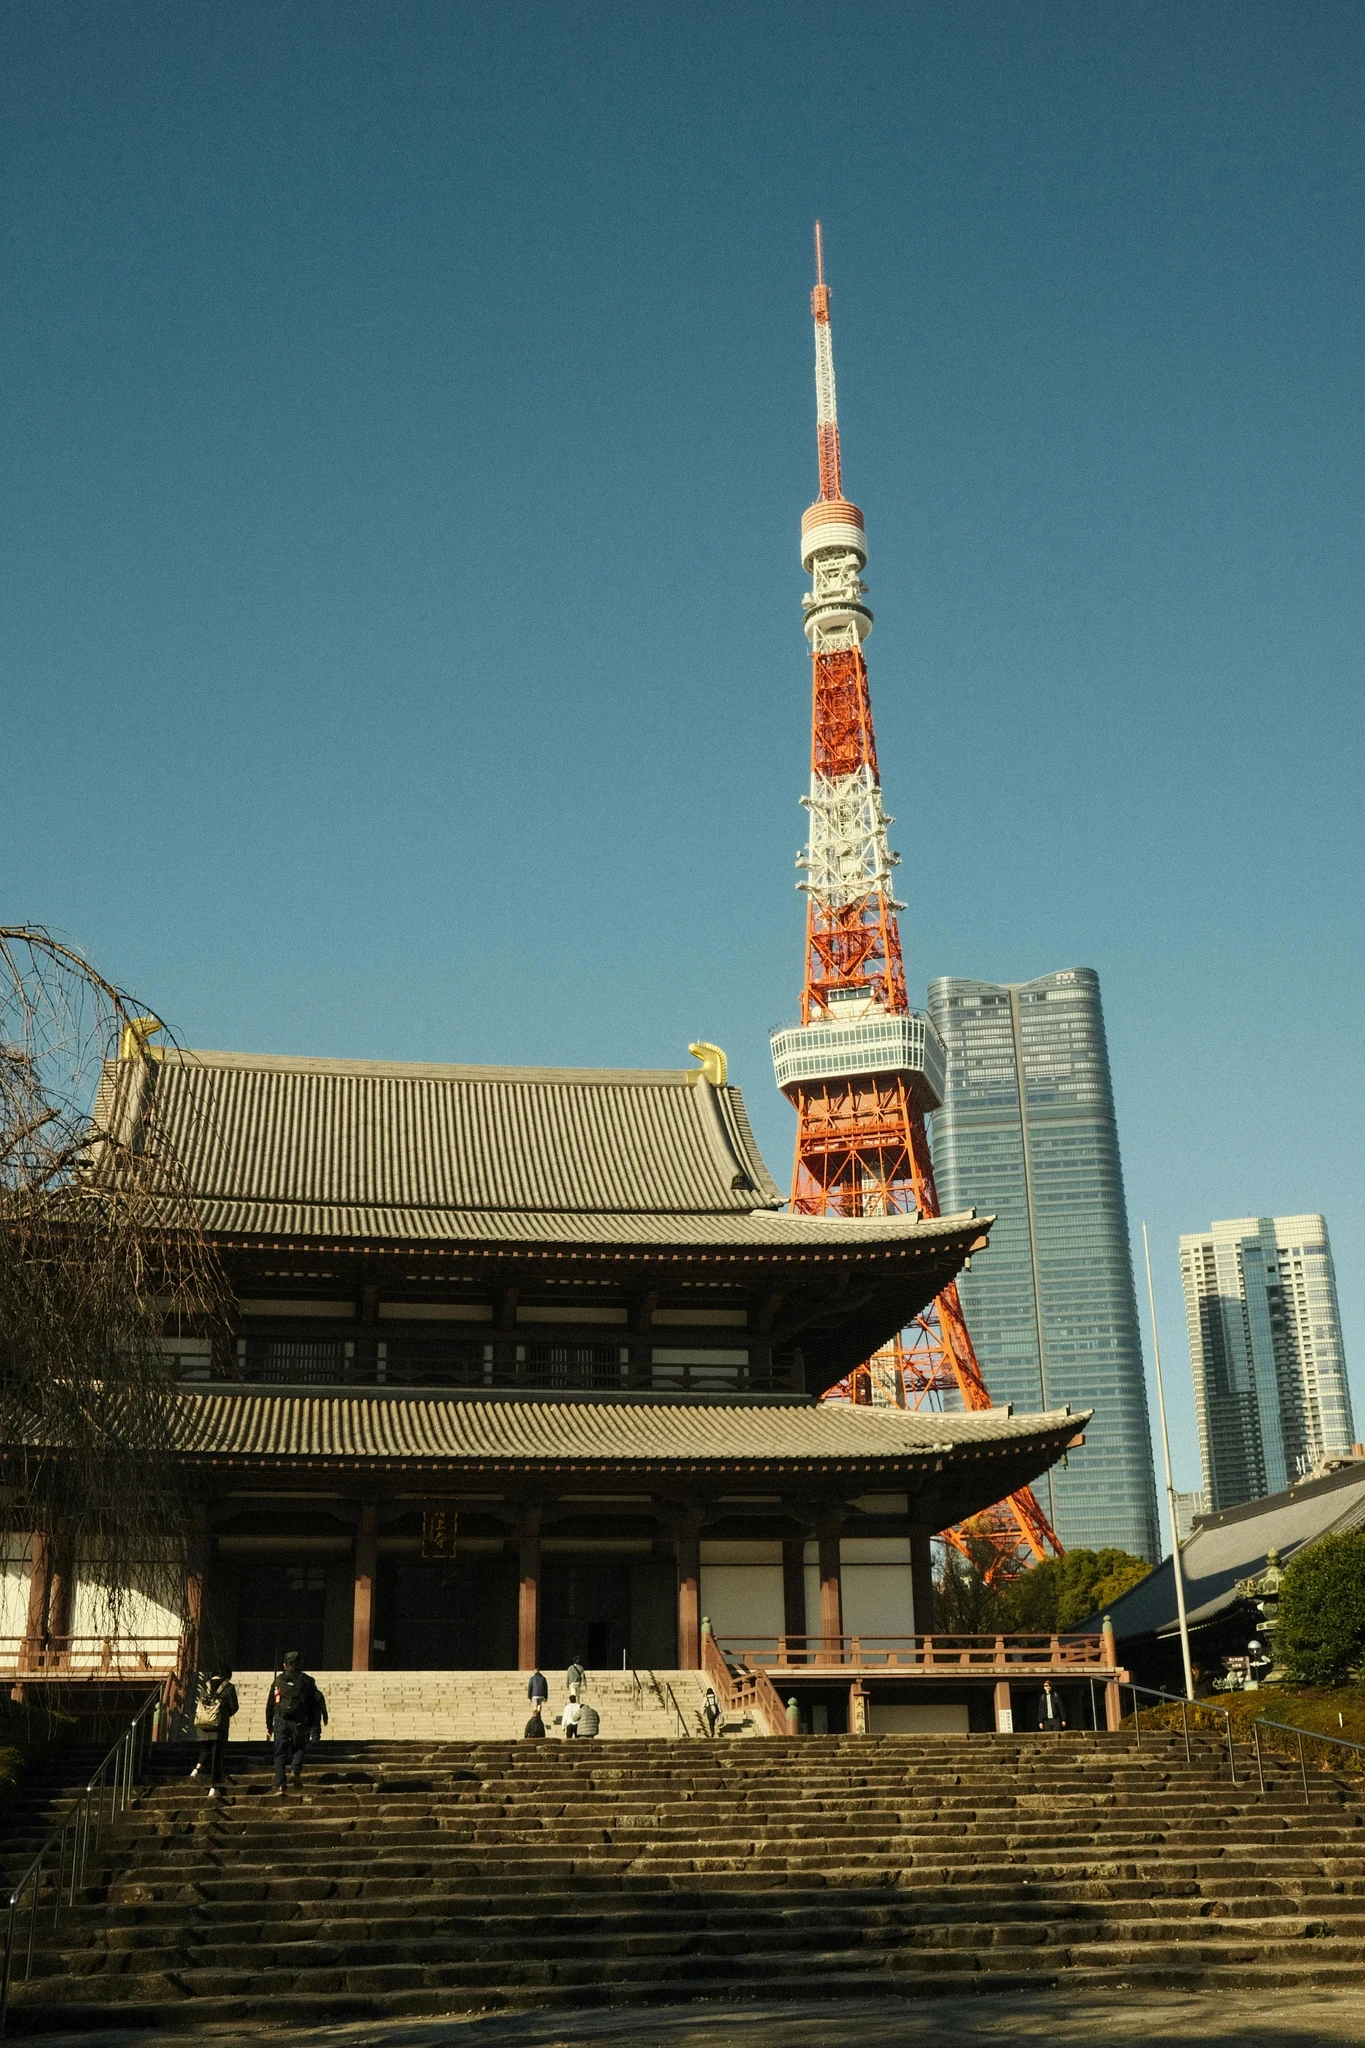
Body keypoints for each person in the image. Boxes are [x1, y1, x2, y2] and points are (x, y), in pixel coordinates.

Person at [265, 1650, 319, 1794]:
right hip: (299, 1720)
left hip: (281, 1720)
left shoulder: (278, 1681)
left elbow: (271, 1703)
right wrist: (313, 1726)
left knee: (280, 1753)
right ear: (300, 1664)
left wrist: (269, 1724)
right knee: (300, 1747)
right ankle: (295, 1769)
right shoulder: (307, 1681)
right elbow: (313, 1705)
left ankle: (281, 1785)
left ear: (285, 1665)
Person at [190, 1669, 238, 1797]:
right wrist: (225, 1711)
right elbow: (234, 1707)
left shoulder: (205, 1686)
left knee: (206, 1749)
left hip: (203, 1724)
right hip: (218, 1725)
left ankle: (196, 1769)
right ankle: (214, 1786)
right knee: (217, 1756)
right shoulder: (228, 1687)